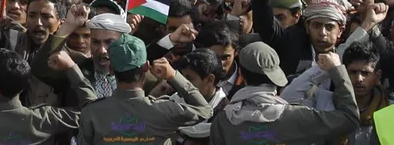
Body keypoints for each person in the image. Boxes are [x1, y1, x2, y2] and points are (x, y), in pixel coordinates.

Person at [210, 43, 360, 145]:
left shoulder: (224, 120)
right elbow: (350, 118)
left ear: (242, 72)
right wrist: (337, 70)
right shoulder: (296, 116)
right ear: (274, 76)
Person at [77, 34, 213, 144]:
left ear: (111, 70)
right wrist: (173, 75)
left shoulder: (92, 112)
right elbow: (204, 110)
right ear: (146, 67)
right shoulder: (164, 110)